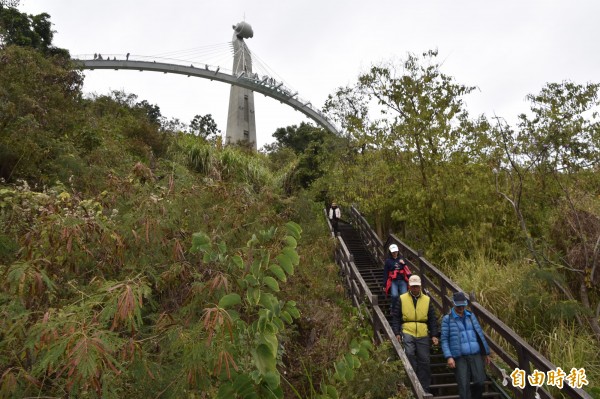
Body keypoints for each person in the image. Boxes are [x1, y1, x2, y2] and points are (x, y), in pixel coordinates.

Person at [392, 275, 439, 393]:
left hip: (423, 332)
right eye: (413, 286)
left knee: (425, 360)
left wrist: (434, 334)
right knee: (409, 354)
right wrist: (397, 332)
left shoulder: (427, 300)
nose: (415, 289)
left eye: (417, 286)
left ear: (420, 286)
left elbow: (432, 319)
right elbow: (396, 317)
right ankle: (412, 385)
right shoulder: (402, 298)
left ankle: (424, 389)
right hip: (407, 329)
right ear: (409, 286)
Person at [441, 292, 491, 399]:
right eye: (458, 305)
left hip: (475, 354)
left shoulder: (470, 316)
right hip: (459, 356)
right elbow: (444, 339)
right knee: (463, 385)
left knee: (480, 381)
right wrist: (449, 357)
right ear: (454, 304)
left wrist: (486, 353)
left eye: (463, 305)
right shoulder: (447, 319)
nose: (461, 307)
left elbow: (479, 334)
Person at [381, 243, 411, 314]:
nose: (395, 253)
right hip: (393, 281)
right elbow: (385, 273)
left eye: (396, 252)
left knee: (404, 296)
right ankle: (393, 309)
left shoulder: (401, 259)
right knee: (394, 295)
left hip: (402, 280)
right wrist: (384, 285)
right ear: (390, 252)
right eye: (393, 252)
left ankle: (402, 310)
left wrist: (403, 264)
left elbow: (407, 270)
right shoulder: (388, 261)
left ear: (398, 251)